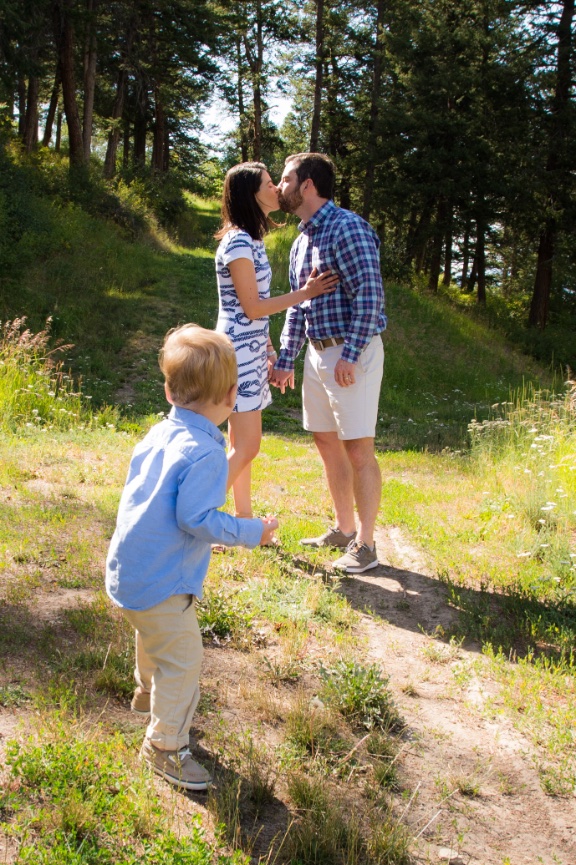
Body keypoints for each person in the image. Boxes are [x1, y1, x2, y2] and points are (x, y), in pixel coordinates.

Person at [105, 324, 278, 791]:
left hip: (129, 571)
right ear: (230, 398)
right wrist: (251, 531)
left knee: (152, 633)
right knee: (182, 656)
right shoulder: (206, 453)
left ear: (168, 388)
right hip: (165, 579)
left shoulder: (159, 432)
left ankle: (147, 693)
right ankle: (164, 746)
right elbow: (197, 519)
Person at [269, 153, 386, 575]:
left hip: (350, 353)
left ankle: (367, 546)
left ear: (308, 185)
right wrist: (287, 359)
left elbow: (371, 297)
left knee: (358, 449)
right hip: (319, 354)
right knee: (325, 441)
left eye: (285, 179)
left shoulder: (348, 227)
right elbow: (298, 307)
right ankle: (343, 528)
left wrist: (351, 355)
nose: (279, 187)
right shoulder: (301, 240)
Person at [215, 161, 337, 520]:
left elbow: (254, 310)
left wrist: (269, 349)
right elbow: (251, 307)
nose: (277, 189)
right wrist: (306, 293)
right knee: (249, 446)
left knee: (240, 445)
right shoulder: (237, 241)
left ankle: (243, 520)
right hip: (237, 351)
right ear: (250, 193)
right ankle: (197, 513)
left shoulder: (252, 239)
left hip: (250, 350)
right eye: (270, 184)